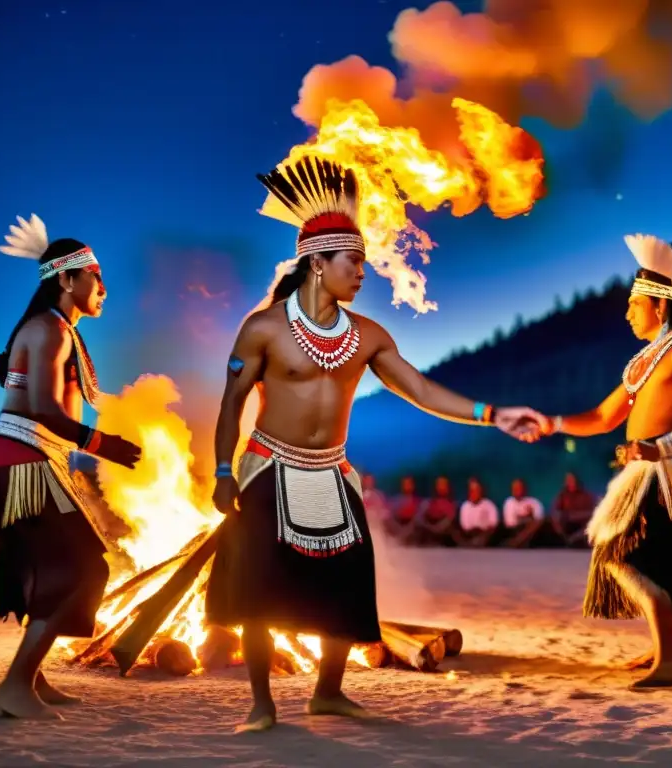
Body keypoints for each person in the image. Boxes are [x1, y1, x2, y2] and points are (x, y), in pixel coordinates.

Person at [205, 155, 547, 732]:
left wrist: (493, 415)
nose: (364, 273)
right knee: (258, 588)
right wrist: (221, 470)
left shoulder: (367, 335)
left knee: (349, 581)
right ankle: (262, 705)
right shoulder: (263, 328)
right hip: (267, 468)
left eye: (364, 263)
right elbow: (231, 404)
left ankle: (328, 693)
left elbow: (419, 388)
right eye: (354, 262)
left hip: (332, 473)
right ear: (318, 264)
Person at [0, 214, 140, 720]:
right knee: (82, 568)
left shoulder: (56, 330)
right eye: (95, 276)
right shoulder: (50, 331)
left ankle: (31, 680)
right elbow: (42, 407)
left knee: (50, 572)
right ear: (67, 279)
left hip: (27, 462)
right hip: (22, 462)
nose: (103, 286)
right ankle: (16, 685)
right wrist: (102, 443)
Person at [542, 234, 672, 688]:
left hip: (670, 469)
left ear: (659, 308)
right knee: (648, 560)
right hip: (644, 470)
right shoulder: (644, 362)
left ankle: (671, 660)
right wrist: (554, 423)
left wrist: (660, 448)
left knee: (627, 557)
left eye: (633, 304)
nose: (627, 313)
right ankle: (662, 649)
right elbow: (605, 417)